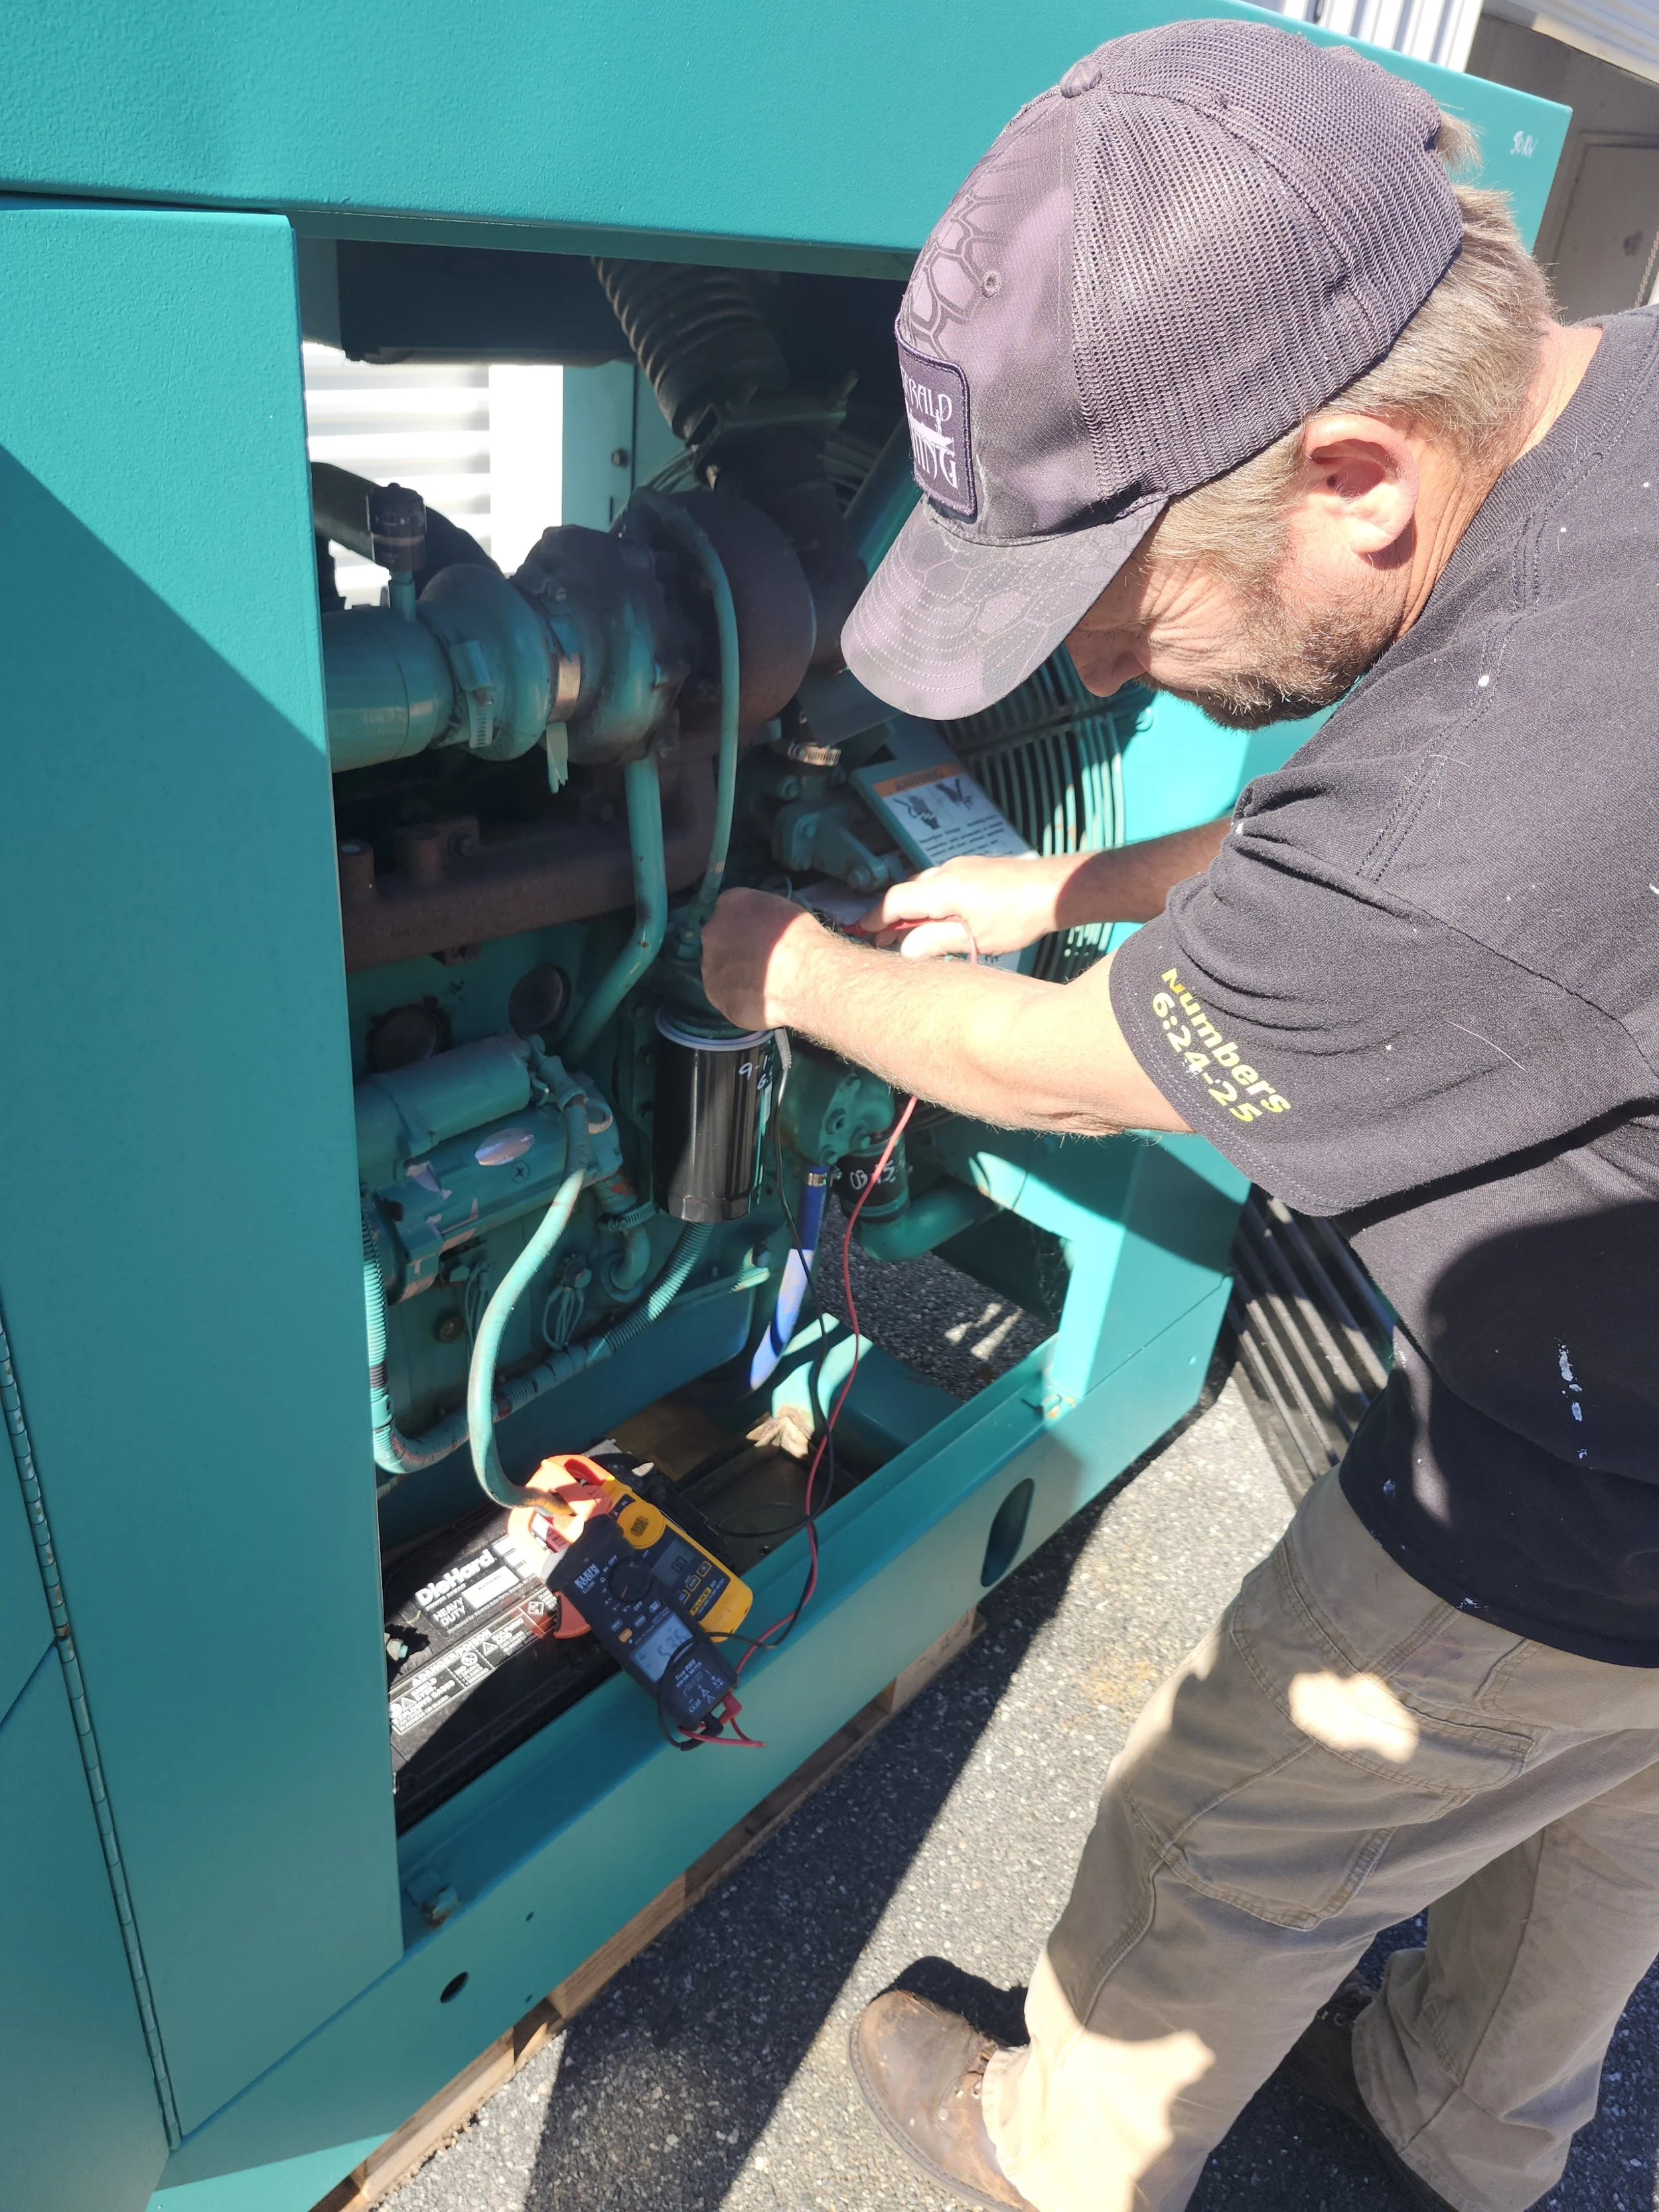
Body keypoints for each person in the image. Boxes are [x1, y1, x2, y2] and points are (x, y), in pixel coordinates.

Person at [701, 18, 1659, 2212]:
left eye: (1120, 611)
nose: (1110, 682)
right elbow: (1386, 837)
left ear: (1354, 478)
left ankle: (1050, 2145)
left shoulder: (1479, 812)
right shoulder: (1586, 449)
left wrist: (784, 969)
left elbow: (1091, 1058)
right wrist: (1068, 880)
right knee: (1611, 1824)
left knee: (1223, 1815)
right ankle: (1455, 2129)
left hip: (1572, 1498)